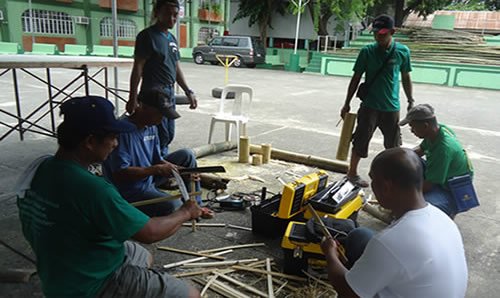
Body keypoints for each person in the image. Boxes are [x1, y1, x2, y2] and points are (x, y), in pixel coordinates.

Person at [15, 96, 202, 298]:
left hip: (59, 265)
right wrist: (186, 212)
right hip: (90, 284)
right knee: (192, 295)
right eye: (112, 138)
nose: (115, 144)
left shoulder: (40, 168)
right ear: (90, 141)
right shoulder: (92, 188)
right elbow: (150, 233)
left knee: (141, 255)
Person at [320, 148, 468, 298]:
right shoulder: (442, 218)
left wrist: (330, 253)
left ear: (386, 187)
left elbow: (348, 293)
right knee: (360, 235)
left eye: (373, 179)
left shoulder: (390, 242)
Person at [104, 88, 209, 218]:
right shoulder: (123, 132)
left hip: (148, 180)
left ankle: (196, 207)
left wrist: (180, 172)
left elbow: (157, 159)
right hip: (130, 191)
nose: (161, 120)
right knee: (173, 205)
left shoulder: (151, 126)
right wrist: (156, 170)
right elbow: (120, 174)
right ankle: (184, 211)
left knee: (187, 155)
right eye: (159, 114)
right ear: (143, 107)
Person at [340, 14, 415, 187]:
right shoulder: (367, 52)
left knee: (394, 145)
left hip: (392, 107)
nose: (378, 37)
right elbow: (356, 78)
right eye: (375, 33)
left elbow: (406, 77)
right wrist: (346, 103)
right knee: (360, 140)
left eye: (382, 34)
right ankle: (352, 173)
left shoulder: (403, 51)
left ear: (392, 32)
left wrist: (410, 100)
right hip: (369, 106)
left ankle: (393, 177)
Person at [128, 0, 197, 158]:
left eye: (175, 15)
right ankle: (154, 167)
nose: (172, 19)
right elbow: (137, 67)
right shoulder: (147, 36)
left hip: (169, 91)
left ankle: (161, 166)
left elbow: (176, 67)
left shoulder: (171, 38)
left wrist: (188, 91)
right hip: (153, 91)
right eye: (168, 14)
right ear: (157, 12)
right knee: (156, 132)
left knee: (168, 134)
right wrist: (133, 97)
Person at [400, 103, 473, 218]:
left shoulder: (443, 149)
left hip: (452, 189)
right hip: (442, 175)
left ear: (425, 126)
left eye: (412, 127)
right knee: (405, 163)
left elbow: (429, 184)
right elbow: (421, 149)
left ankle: (448, 210)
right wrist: (400, 158)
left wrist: (405, 197)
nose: (411, 130)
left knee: (418, 209)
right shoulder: (438, 131)